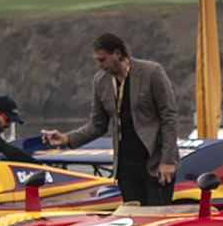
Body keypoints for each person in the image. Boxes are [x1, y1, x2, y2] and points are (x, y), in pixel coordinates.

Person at [44, 32, 182, 205]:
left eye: (102, 60)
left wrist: (167, 160)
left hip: (155, 163)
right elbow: (98, 125)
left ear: (117, 54)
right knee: (134, 220)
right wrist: (66, 138)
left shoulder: (152, 72)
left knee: (157, 220)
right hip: (125, 167)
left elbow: (169, 116)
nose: (99, 65)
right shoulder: (100, 82)